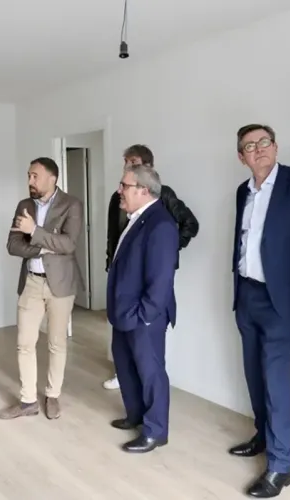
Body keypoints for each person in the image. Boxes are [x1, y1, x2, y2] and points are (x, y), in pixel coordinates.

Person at [229, 124, 290, 497]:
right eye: (249, 146)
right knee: (254, 374)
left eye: (264, 142)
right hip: (247, 294)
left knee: (275, 378)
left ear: (275, 146)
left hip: (281, 301)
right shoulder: (243, 191)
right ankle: (263, 435)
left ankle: (280, 466)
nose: (258, 149)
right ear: (241, 157)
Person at [102, 144, 198, 390]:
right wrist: (110, 262)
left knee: (148, 354)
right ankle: (126, 383)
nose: (127, 166)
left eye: (133, 162)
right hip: (122, 276)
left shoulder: (162, 195)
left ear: (148, 167)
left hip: (149, 278)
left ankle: (152, 409)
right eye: (126, 162)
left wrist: (165, 251)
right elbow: (113, 235)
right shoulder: (117, 198)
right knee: (124, 347)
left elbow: (190, 224)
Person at [0, 157, 84, 420]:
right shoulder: (24, 205)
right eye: (29, 176)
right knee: (24, 343)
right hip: (31, 280)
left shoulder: (72, 204)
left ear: (52, 179)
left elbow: (69, 244)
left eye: (35, 176)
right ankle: (28, 401)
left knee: (57, 343)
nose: (30, 181)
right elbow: (12, 245)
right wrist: (43, 248)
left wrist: (34, 231)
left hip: (61, 283)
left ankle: (52, 395)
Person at [107, 164, 179, 453]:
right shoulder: (137, 218)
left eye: (124, 185)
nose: (119, 190)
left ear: (143, 190)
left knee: (151, 373)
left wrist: (144, 316)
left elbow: (160, 280)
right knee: (126, 366)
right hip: (124, 312)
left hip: (142, 316)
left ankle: (155, 431)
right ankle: (136, 415)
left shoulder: (161, 224)